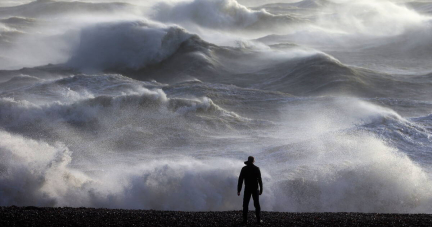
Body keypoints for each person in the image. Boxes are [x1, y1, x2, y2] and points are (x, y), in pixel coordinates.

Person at [237, 156, 263, 224]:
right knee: (257, 204)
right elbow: (260, 180)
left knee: (245, 204)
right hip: (255, 188)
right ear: (253, 161)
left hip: (247, 188)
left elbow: (240, 180)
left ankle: (245, 220)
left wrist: (239, 190)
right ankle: (258, 220)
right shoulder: (256, 168)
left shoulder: (244, 169)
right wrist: (261, 189)